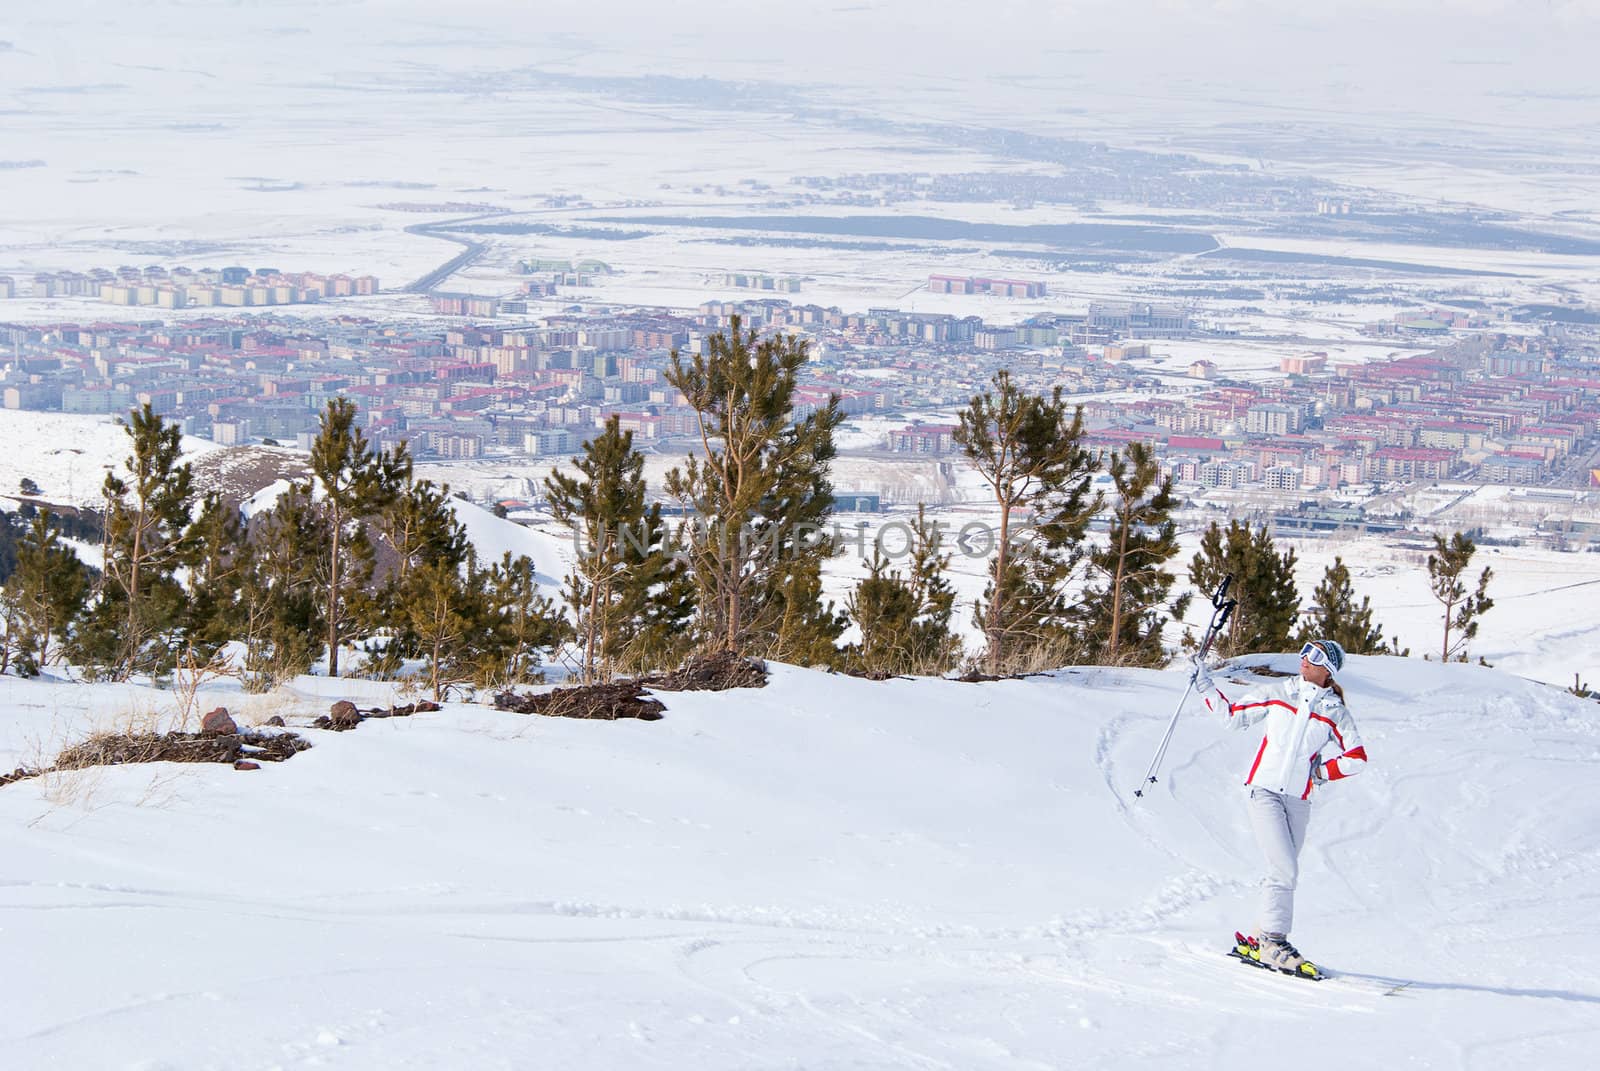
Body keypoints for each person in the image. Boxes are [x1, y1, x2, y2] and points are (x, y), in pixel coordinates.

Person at [1189, 638, 1368, 975]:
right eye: (1303, 650)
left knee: (1281, 872)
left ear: (1327, 669)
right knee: (1284, 869)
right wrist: (1204, 684)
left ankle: (1258, 938)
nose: (1303, 658)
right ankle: (1273, 940)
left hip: (1298, 800)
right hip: (1264, 791)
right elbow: (1232, 717)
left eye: (1313, 655)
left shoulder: (1334, 712)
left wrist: (1322, 772)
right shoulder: (1279, 692)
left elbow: (1357, 758)